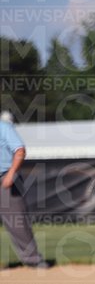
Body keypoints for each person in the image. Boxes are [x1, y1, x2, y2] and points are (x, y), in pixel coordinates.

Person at [0, 111, 49, 269]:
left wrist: (11, 173)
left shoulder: (4, 127)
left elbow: (20, 150)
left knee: (16, 221)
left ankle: (33, 259)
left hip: (5, 177)